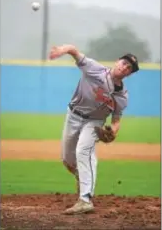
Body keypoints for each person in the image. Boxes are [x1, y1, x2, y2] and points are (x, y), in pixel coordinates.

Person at [49, 44, 139, 215]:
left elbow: (116, 119)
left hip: (95, 122)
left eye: (129, 68)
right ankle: (82, 177)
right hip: (73, 115)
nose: (125, 67)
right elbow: (74, 51)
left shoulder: (122, 96)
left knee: (83, 150)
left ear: (129, 74)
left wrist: (113, 132)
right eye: (124, 63)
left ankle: (85, 199)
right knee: (67, 159)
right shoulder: (94, 69)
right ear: (117, 61)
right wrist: (63, 50)